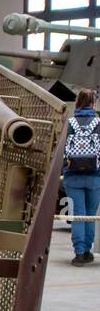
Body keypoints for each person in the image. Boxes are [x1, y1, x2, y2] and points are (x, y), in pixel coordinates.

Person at [62, 88, 100, 265]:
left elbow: (61, 148)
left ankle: (78, 254)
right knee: (90, 215)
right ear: (93, 103)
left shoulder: (69, 122)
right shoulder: (98, 122)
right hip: (95, 176)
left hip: (73, 176)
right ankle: (87, 251)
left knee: (78, 214)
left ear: (78, 102)